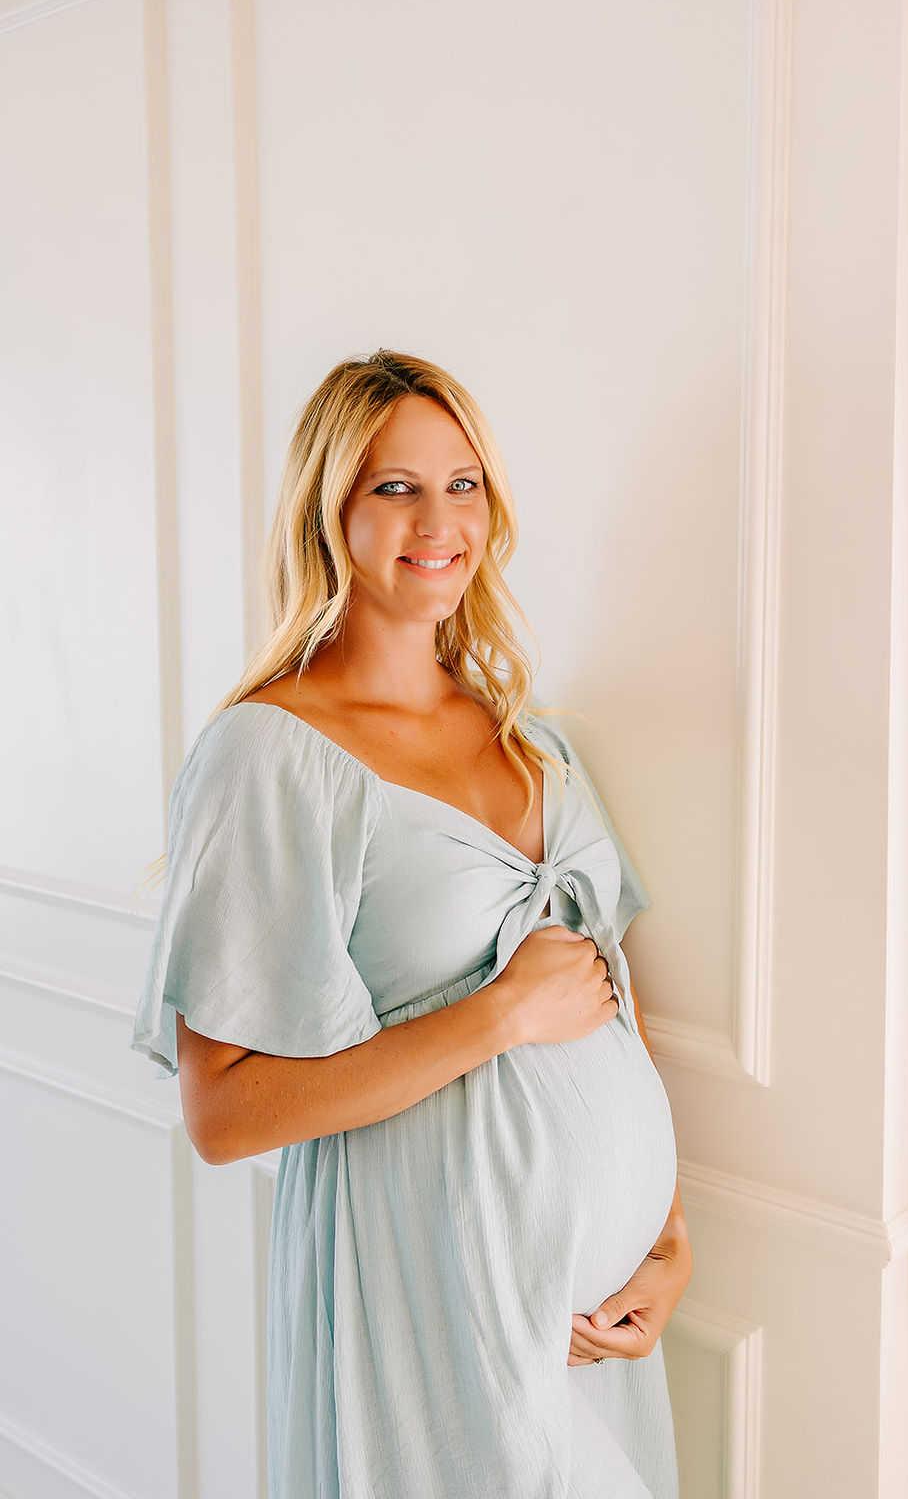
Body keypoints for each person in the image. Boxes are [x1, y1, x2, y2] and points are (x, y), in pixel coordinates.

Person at [132, 349, 692, 1498]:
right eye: (393, 486)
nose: (437, 519)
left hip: (592, 1313)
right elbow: (224, 1111)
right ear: (330, 512)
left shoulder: (531, 735)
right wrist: (495, 1017)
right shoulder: (271, 755)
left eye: (464, 483)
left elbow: (614, 1005)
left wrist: (669, 1241)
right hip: (430, 1288)